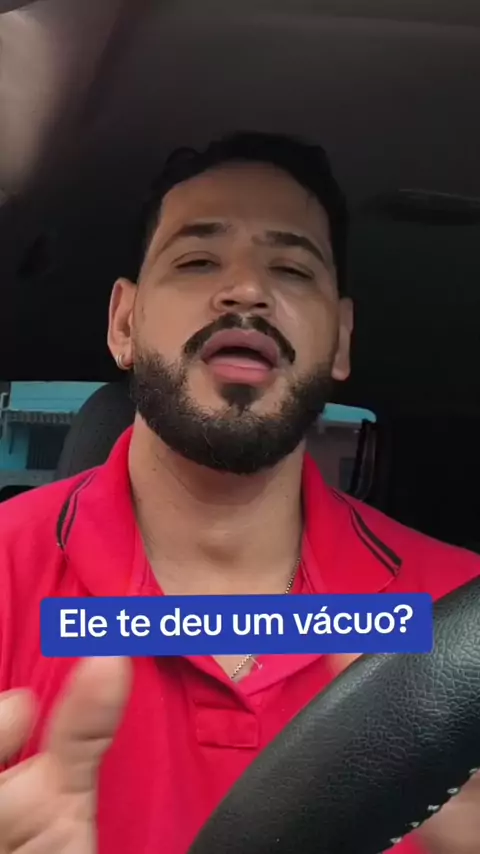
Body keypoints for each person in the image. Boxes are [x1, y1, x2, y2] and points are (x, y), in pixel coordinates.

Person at [0, 131, 478, 854]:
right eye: (197, 260)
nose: (248, 291)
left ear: (340, 339)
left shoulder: (461, 621)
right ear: (123, 322)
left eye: (292, 268)